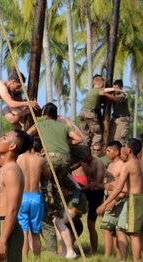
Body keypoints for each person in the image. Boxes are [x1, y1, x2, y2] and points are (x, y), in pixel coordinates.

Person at [26, 103, 83, 259]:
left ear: (45, 115)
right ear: (56, 115)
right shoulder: (63, 126)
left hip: (50, 158)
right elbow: (79, 139)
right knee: (57, 185)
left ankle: (50, 208)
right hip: (65, 159)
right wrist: (65, 142)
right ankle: (56, 205)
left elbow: (26, 135)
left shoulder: (40, 123)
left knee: (46, 187)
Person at [97, 139, 143, 262]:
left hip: (135, 200)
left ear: (129, 150)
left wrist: (104, 204)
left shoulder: (128, 165)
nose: (123, 149)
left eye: (125, 146)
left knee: (134, 234)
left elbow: (118, 189)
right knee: (141, 233)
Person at [0, 130, 30, 262]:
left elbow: (13, 209)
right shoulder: (3, 169)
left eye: (4, 137)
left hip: (5, 227)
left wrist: (2, 240)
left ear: (12, 146)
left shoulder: (12, 171)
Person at [16, 140, 50, 258]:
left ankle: (24, 258)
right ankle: (37, 259)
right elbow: (48, 175)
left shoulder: (19, 158)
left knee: (24, 231)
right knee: (35, 232)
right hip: (36, 197)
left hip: (22, 196)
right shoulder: (40, 160)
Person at [100, 141, 128, 259]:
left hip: (119, 200)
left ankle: (108, 256)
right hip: (110, 199)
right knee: (111, 230)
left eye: (108, 151)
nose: (107, 153)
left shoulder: (122, 165)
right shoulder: (110, 165)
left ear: (116, 152)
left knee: (108, 228)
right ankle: (118, 256)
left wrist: (114, 200)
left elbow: (126, 189)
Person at [78, 75, 122, 148]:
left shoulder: (90, 91)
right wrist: (120, 91)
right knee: (97, 135)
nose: (103, 86)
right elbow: (108, 90)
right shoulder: (98, 90)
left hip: (82, 113)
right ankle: (96, 151)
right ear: (99, 83)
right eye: (103, 84)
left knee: (85, 134)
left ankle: (83, 150)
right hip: (90, 114)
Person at [80, 150, 105, 254]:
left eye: (84, 158)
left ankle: (94, 251)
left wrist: (86, 187)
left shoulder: (98, 163)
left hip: (96, 194)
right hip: (87, 191)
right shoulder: (83, 161)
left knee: (91, 224)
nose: (83, 160)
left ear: (89, 155)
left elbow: (98, 182)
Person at [109, 79, 130, 144]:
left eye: (116, 88)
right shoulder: (113, 94)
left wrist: (106, 95)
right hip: (115, 118)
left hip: (122, 119)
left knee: (119, 140)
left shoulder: (123, 95)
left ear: (121, 88)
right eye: (114, 88)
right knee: (111, 138)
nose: (115, 90)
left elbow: (116, 99)